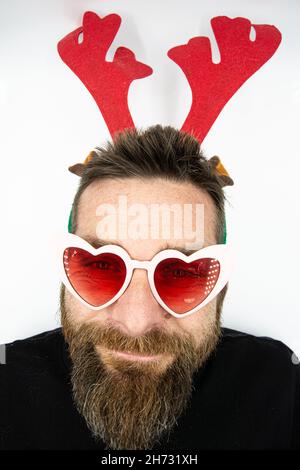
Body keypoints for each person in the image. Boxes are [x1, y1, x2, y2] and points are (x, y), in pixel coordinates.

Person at [0, 125, 299, 450]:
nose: (137, 322)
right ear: (65, 272)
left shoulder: (281, 387)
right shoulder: (6, 387)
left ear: (220, 287)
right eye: (101, 266)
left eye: (182, 273)